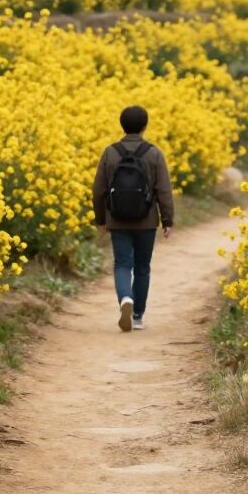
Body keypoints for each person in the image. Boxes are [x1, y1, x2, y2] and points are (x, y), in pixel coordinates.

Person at [92, 105, 174, 333]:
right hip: (146, 221)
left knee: (122, 264)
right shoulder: (154, 153)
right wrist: (168, 220)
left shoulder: (110, 152)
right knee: (142, 267)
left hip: (117, 219)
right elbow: (164, 190)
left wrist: (101, 219)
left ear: (122, 125)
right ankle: (137, 315)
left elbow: (98, 189)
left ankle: (125, 299)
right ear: (145, 126)